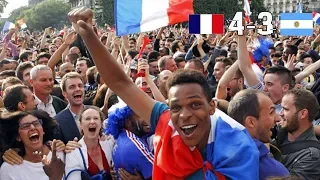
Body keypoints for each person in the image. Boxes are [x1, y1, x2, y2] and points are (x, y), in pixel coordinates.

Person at [67, 8, 259, 179]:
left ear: (211, 106)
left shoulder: (240, 150)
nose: (184, 115)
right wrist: (88, 34)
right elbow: (120, 83)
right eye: (175, 107)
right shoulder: (167, 120)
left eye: (195, 104)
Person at [228, 89, 290, 179]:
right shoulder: (274, 172)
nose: (278, 118)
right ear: (251, 122)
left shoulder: (214, 152)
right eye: (271, 112)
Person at [0, 110, 65, 179]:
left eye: (36, 123)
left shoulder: (60, 153)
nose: (33, 128)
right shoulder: (9, 169)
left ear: (43, 131)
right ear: (18, 137)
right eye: (25, 126)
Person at [65, 106, 114, 180]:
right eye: (87, 119)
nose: (92, 121)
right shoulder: (73, 152)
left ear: (101, 124)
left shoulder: (110, 142)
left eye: (96, 118)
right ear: (80, 125)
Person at [106, 106, 153, 180]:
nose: (147, 119)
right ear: (128, 122)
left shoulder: (121, 137)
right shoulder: (135, 145)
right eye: (140, 116)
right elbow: (161, 175)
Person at [55, 72, 84, 144]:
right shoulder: (58, 121)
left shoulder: (96, 112)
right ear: (64, 94)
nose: (77, 89)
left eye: (80, 86)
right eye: (72, 87)